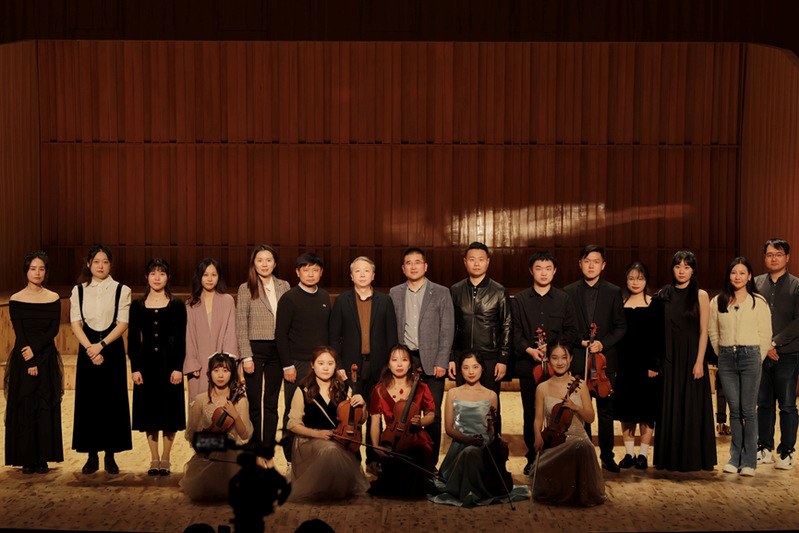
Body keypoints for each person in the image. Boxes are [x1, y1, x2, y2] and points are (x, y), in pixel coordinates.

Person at [428, 352, 529, 507]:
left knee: (473, 453)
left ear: (482, 368)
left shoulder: (491, 395)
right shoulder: (453, 393)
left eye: (475, 367)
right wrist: (469, 440)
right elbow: (449, 429)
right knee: (469, 452)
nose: (471, 371)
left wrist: (497, 438)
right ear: (460, 370)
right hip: (458, 448)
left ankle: (474, 489)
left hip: (483, 447)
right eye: (466, 367)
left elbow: (490, 429)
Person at [329, 256, 398, 473]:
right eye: (357, 271)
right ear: (351, 276)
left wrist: (389, 368)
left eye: (366, 271)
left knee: (375, 413)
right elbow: (334, 338)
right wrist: (339, 365)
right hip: (350, 368)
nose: (362, 274)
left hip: (378, 366)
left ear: (373, 275)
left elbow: (392, 338)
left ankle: (373, 460)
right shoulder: (342, 301)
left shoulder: (385, 301)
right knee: (352, 413)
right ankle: (352, 458)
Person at [512, 251, 578, 475]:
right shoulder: (520, 300)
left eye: (548, 268)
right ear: (531, 271)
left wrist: (553, 349)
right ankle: (532, 457)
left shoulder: (564, 299)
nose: (543, 273)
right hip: (528, 365)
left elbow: (571, 331)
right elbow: (515, 331)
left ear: (555, 271)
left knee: (558, 412)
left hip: (557, 367)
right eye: (538, 268)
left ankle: (556, 455)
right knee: (531, 413)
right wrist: (529, 349)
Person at [564, 245, 626, 472]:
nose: (591, 266)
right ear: (580, 263)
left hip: (604, 363)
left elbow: (621, 326)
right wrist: (580, 341)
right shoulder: (568, 291)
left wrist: (603, 343)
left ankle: (607, 456)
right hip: (580, 360)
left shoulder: (613, 291)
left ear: (603, 265)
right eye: (587, 261)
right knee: (581, 411)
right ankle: (585, 454)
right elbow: (566, 326)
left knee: (606, 412)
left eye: (596, 261)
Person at [70, 245, 132, 474]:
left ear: (110, 265)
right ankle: (91, 455)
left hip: (112, 349)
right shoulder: (78, 290)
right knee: (89, 403)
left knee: (112, 402)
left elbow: (123, 323)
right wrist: (90, 349)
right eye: (96, 261)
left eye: (105, 261)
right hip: (87, 349)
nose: (100, 266)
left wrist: (101, 346)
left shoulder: (121, 290)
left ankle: (111, 455)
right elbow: (75, 323)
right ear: (88, 264)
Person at [389, 247, 455, 464]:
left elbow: (447, 329)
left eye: (418, 262)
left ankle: (430, 464)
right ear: (403, 268)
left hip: (433, 361)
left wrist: (442, 360)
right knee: (403, 411)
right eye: (409, 263)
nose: (413, 266)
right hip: (405, 360)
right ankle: (403, 460)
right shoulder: (395, 292)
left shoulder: (441, 292)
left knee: (432, 414)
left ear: (425, 266)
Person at [653, 251, 716, 471]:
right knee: (670, 405)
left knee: (691, 406)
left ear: (693, 270)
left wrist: (700, 361)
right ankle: (669, 458)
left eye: (686, 267)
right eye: (678, 266)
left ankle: (693, 458)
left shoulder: (700, 295)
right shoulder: (663, 294)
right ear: (672, 268)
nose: (681, 270)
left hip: (692, 356)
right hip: (670, 357)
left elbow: (703, 331)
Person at [709, 257, 772, 476]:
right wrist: (722, 353)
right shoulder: (718, 301)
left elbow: (765, 333)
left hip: (750, 356)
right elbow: (713, 332)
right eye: (734, 272)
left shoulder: (758, 302)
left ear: (749, 276)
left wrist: (757, 357)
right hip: (726, 357)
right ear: (729, 276)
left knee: (748, 410)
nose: (738, 276)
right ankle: (734, 457)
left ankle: (749, 461)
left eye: (742, 272)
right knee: (734, 410)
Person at [4, 251, 63, 474]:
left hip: (46, 356)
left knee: (45, 406)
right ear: (26, 271)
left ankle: (43, 457)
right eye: (33, 269)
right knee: (25, 406)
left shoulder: (53, 297)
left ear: (46, 272)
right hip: (23, 357)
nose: (37, 273)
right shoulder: (16, 299)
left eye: (41, 269)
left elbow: (53, 330)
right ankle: (27, 458)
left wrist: (36, 352)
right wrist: (29, 360)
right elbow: (19, 333)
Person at [286, 346, 370, 501]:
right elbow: (292, 424)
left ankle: (333, 488)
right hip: (309, 441)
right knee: (330, 450)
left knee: (333, 448)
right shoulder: (303, 390)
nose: (325, 368)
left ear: (336, 365)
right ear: (312, 365)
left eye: (330, 363)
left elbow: (360, 421)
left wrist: (363, 405)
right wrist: (317, 433)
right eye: (321, 363)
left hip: (338, 439)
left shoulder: (344, 389)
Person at [128, 258, 188, 476]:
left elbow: (181, 338)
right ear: (146, 277)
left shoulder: (177, 305)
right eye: (153, 273)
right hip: (146, 365)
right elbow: (133, 339)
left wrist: (178, 367)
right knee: (149, 412)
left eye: (161, 273)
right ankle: (154, 458)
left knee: (169, 411)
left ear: (168, 277)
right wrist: (135, 367)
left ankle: (166, 457)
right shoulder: (137, 305)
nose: (157, 277)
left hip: (169, 364)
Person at [532, 339, 606, 507]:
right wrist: (537, 436)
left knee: (581, 447)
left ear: (571, 358)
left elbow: (591, 418)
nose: (560, 362)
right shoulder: (542, 388)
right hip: (554, 442)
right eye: (555, 358)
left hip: (578, 440)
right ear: (548, 359)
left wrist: (575, 407)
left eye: (564, 357)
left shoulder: (581, 386)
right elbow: (537, 419)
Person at [236, 245, 290, 467]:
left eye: (269, 260)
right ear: (254, 263)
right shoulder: (245, 288)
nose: (264, 264)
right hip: (255, 349)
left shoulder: (284, 285)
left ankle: (268, 452)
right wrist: (246, 356)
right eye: (260, 260)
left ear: (275, 263)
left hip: (278, 349)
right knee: (255, 403)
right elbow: (241, 323)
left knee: (271, 403)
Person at [449, 242, 512, 433]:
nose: (476, 264)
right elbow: (450, 326)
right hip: (462, 357)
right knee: (462, 405)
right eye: (472, 259)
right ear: (465, 262)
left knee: (491, 407)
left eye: (481, 259)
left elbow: (507, 325)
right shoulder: (455, 290)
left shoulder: (499, 291)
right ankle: (463, 444)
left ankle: (494, 445)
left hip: (490, 357)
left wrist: (503, 358)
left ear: (488, 262)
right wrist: (451, 357)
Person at [276, 252, 331, 466]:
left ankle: (313, 455)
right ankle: (290, 458)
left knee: (317, 408)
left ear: (321, 272)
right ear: (297, 272)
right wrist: (287, 365)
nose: (310, 274)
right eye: (306, 270)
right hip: (297, 364)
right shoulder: (289, 298)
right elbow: (281, 334)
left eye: (315, 270)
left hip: (320, 363)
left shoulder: (324, 296)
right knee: (292, 411)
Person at [181, 353, 253, 501]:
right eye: (216, 370)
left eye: (225, 370)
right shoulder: (200, 400)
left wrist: (235, 416)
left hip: (232, 452)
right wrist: (202, 448)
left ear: (232, 374)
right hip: (207, 451)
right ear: (209, 374)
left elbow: (245, 435)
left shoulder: (240, 401)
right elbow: (192, 433)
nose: (220, 375)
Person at [613, 262, 664, 470]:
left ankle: (643, 454)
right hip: (624, 365)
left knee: (646, 411)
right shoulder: (619, 304)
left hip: (647, 366)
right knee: (626, 411)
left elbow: (659, 337)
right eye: (631, 278)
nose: (635, 282)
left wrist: (655, 365)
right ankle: (629, 453)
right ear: (626, 280)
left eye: (640, 278)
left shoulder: (655, 304)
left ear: (646, 280)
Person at [754, 238, 799, 470]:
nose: (774, 258)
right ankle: (764, 447)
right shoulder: (755, 283)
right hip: (761, 354)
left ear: (787, 257)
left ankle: (787, 451)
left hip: (788, 355)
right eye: (770, 254)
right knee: (763, 404)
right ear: (764, 257)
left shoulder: (796, 285)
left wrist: (774, 342)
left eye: (779, 254)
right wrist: (765, 345)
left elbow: (798, 321)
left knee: (788, 405)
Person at [369, 344, 437, 496]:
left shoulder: (421, 387)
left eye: (404, 360)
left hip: (416, 437)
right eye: (394, 360)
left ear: (410, 364)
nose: (399, 364)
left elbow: (431, 415)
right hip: (390, 439)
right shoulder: (379, 390)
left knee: (422, 450)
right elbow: (375, 420)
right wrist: (375, 446)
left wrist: (421, 422)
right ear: (388, 364)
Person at [184, 258, 238, 402]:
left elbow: (230, 333)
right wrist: (192, 362)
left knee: (223, 404)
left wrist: (227, 363)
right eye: (205, 275)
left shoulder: (227, 300)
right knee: (199, 403)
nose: (209, 279)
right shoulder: (191, 304)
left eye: (213, 275)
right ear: (199, 277)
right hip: (199, 364)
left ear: (219, 277)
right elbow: (189, 336)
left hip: (222, 363)